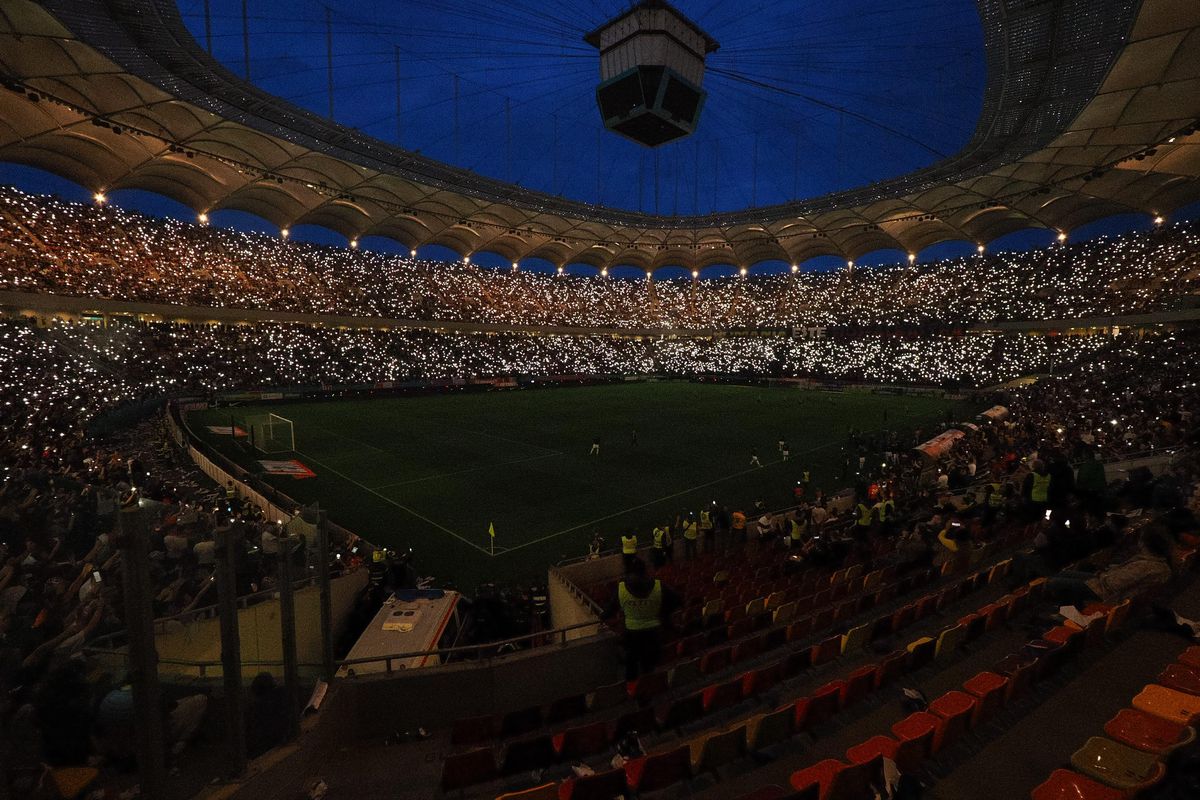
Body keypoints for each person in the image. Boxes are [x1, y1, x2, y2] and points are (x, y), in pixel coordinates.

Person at [1046, 528, 1177, 607]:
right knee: (1065, 573)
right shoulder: (1157, 562)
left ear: (1146, 543)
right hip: (1104, 582)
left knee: (1054, 582)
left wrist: (1102, 574)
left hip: (1105, 592)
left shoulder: (1147, 566)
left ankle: (1069, 613)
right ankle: (1071, 606)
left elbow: (1113, 584)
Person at [601, 558, 679, 681]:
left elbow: (609, 611)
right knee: (649, 666)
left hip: (632, 635)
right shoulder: (658, 585)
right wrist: (663, 613)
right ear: (645, 570)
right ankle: (649, 686)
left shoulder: (621, 588)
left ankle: (632, 687)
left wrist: (602, 617)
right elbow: (677, 600)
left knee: (631, 666)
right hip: (653, 633)